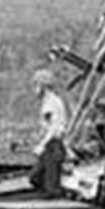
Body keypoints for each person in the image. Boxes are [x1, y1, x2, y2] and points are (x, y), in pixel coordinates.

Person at [29, 69, 69, 198]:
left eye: (36, 85)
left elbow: (54, 127)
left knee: (51, 186)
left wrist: (42, 144)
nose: (34, 90)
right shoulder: (48, 102)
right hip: (49, 147)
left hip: (53, 147)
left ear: (43, 86)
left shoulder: (52, 103)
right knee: (35, 177)